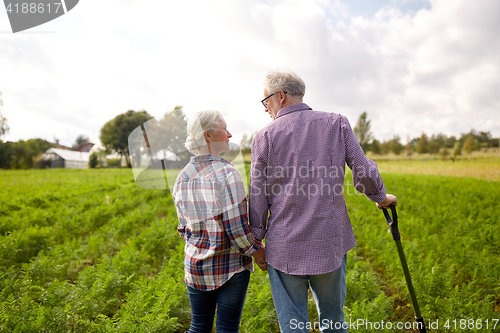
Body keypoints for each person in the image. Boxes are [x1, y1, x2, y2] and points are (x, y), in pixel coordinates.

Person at [248, 69, 398, 333]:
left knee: (293, 325)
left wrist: (256, 239)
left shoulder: (265, 137)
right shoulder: (336, 122)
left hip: (284, 246)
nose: (265, 108)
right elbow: (362, 169)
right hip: (329, 241)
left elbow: (258, 193)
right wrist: (380, 197)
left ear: (280, 96)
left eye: (266, 101)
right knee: (333, 320)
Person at [172, 110, 266, 333]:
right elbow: (236, 230)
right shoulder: (227, 173)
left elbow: (183, 228)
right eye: (224, 129)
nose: (230, 134)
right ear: (208, 135)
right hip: (229, 269)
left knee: (198, 327)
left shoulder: (182, 176)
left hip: (195, 267)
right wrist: (257, 252)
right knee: (227, 328)